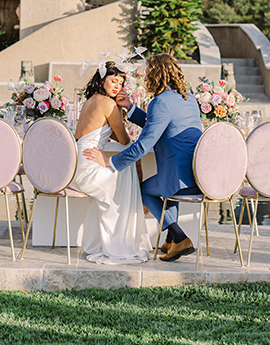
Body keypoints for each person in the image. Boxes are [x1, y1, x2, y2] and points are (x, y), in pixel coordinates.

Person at [84, 53, 202, 262]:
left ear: (157, 75)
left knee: (145, 191)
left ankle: (179, 237)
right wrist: (130, 108)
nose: (145, 79)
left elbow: (143, 146)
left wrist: (110, 161)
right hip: (197, 173)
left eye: (148, 74)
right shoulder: (187, 97)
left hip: (179, 176)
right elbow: (157, 123)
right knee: (165, 190)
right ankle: (170, 240)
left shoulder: (160, 102)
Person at [71, 61, 151, 264]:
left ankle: (105, 242)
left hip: (78, 164)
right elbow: (124, 140)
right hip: (88, 167)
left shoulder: (91, 100)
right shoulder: (109, 104)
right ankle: (119, 245)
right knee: (126, 173)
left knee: (124, 170)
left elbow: (101, 133)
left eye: (121, 83)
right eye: (113, 81)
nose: (117, 86)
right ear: (102, 79)